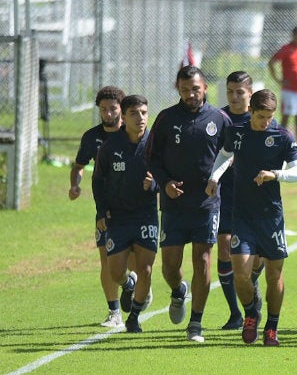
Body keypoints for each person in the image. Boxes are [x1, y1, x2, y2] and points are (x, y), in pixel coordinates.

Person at [206, 89, 297, 346]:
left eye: (270, 117)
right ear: (251, 111)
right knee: (240, 271)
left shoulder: (282, 136)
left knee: (274, 274)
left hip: (271, 218)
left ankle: (272, 326)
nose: (266, 122)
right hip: (242, 216)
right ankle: (252, 311)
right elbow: (225, 154)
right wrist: (214, 177)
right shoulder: (237, 133)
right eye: (261, 116)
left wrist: (276, 174)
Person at [145, 65, 232, 343]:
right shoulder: (166, 118)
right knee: (170, 266)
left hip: (207, 203)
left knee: (203, 261)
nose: (191, 95)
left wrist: (216, 178)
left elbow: (231, 155)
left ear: (205, 86)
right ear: (178, 90)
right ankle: (178, 290)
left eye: (195, 89)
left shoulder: (219, 118)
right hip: (174, 203)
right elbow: (152, 157)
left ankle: (196, 323)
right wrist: (165, 183)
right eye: (185, 90)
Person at [68, 85, 147, 328]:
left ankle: (138, 293)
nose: (108, 114)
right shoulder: (92, 137)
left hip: (135, 209)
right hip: (106, 209)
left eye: (113, 108)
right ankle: (114, 312)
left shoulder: (134, 133)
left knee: (134, 262)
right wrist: (75, 186)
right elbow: (79, 166)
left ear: (122, 110)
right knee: (107, 261)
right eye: (103, 109)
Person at [92, 95, 158, 333]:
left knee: (146, 269)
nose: (140, 118)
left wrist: (154, 185)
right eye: (134, 113)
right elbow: (98, 180)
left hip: (146, 215)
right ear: (124, 117)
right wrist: (101, 210)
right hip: (118, 217)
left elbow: (167, 175)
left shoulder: (156, 143)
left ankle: (134, 317)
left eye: (143, 112)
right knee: (116, 271)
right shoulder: (110, 146)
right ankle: (128, 285)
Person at [217, 71, 255, 331]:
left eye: (239, 92)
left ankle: (252, 302)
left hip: (254, 194)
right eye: (230, 91)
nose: (234, 96)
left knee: (256, 258)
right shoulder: (218, 118)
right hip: (224, 193)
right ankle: (235, 314)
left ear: (250, 93)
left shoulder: (259, 119)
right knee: (224, 249)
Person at [267, 25, 297, 143]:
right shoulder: (286, 49)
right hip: (289, 91)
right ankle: (280, 144)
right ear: (294, 35)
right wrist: (278, 80)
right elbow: (271, 62)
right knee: (286, 118)